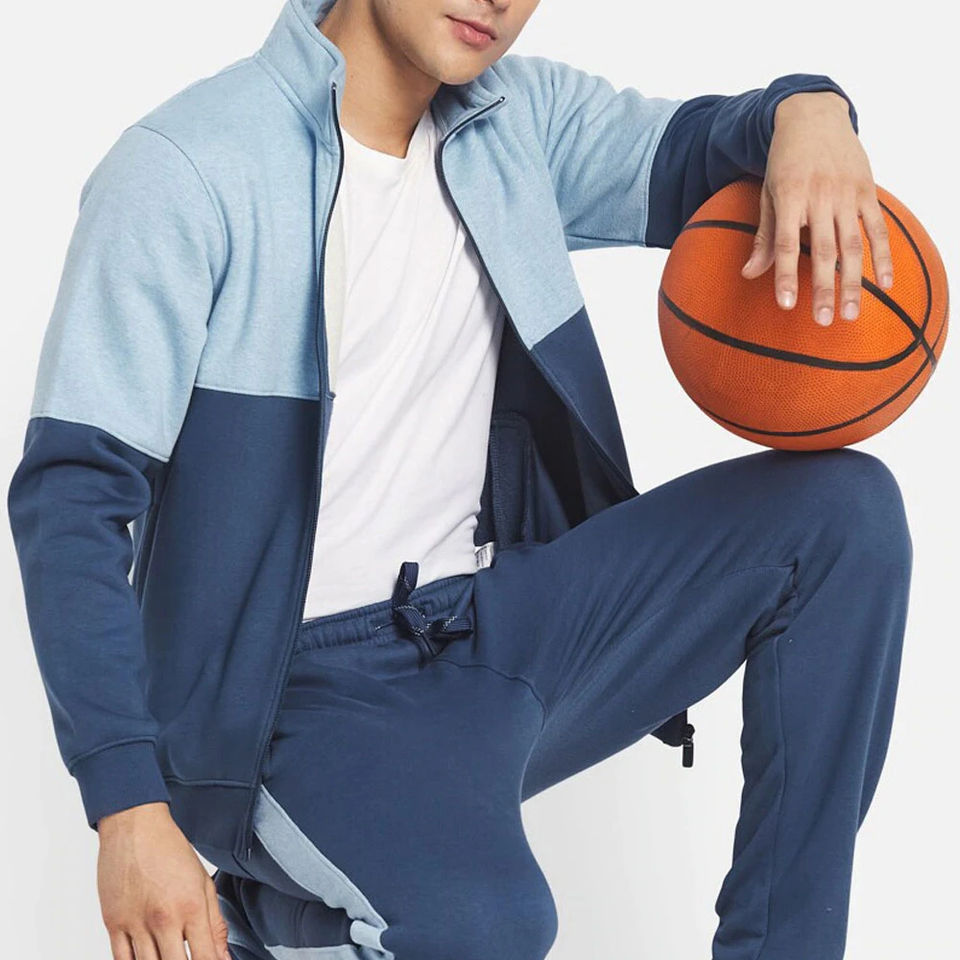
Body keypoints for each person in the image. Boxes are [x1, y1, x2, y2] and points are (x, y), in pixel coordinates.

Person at [7, 1, 912, 958]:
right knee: (488, 929)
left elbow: (706, 150)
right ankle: (291, 923)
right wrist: (128, 807)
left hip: (486, 626)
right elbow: (71, 497)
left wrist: (812, 110)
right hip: (287, 697)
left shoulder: (516, 124)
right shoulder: (188, 166)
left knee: (841, 516)